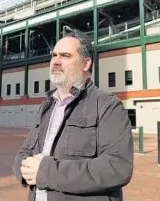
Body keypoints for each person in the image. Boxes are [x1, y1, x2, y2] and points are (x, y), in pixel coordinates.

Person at [13, 27, 134, 201]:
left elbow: (117, 167)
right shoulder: (47, 107)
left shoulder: (107, 105)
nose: (55, 61)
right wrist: (24, 171)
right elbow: (24, 151)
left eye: (65, 56)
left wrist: (46, 171)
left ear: (86, 64)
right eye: (54, 55)